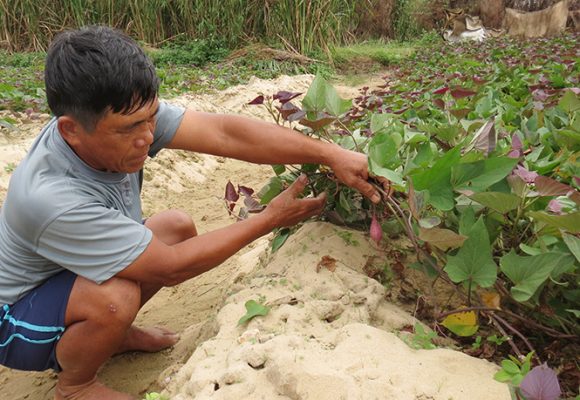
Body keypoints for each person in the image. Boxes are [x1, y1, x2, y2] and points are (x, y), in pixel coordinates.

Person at [0, 26, 381, 400]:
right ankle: (75, 385)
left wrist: (329, 154)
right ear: (70, 131)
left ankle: (113, 337)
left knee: (176, 227)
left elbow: (224, 134)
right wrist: (269, 218)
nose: (148, 137)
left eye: (151, 118)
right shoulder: (51, 198)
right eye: (131, 129)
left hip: (66, 272)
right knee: (115, 298)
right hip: (15, 313)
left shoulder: (123, 113)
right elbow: (170, 267)